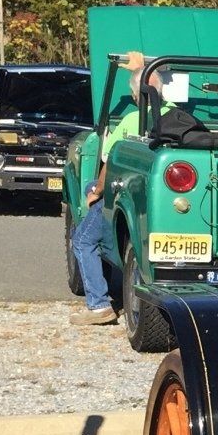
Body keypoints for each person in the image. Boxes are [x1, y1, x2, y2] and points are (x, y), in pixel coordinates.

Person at [69, 55, 152, 326]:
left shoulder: (131, 120)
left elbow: (109, 159)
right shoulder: (177, 114)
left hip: (124, 193)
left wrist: (96, 192)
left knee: (82, 240)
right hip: (155, 196)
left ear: (136, 93)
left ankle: (99, 304)